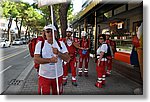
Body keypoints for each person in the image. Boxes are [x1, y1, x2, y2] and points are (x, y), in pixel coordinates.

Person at [34, 24, 70, 95]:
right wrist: (50, 60)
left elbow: (68, 59)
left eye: (52, 32)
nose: (50, 33)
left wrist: (58, 53)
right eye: (48, 31)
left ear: (56, 33)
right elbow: (36, 59)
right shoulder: (40, 44)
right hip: (44, 76)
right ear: (44, 33)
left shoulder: (61, 44)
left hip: (58, 76)